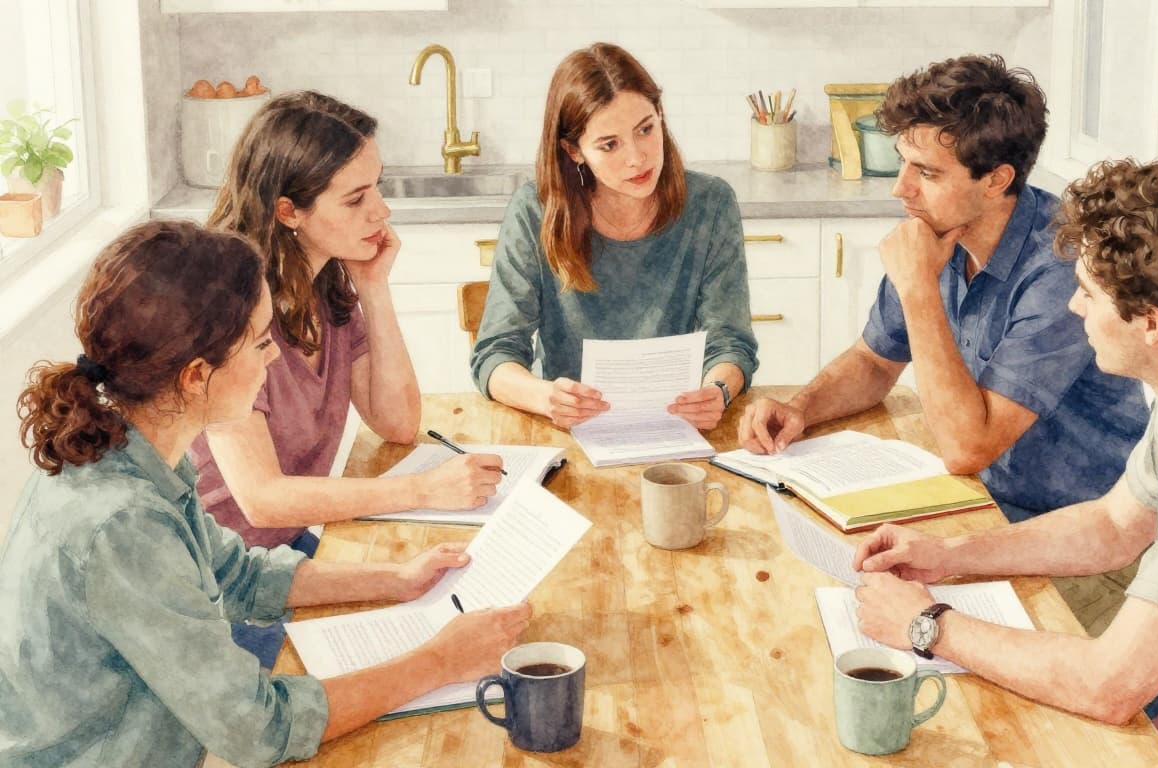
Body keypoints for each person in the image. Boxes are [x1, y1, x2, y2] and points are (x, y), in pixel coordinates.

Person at [852, 158, 1158, 768]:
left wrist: (927, 625)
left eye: (1088, 293)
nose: (1075, 309)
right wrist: (948, 557)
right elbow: (1114, 527)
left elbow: (1109, 686)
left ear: (1152, 324)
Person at [0, 221, 530, 768]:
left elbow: (235, 575)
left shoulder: (128, 447)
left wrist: (396, 578)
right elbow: (260, 731)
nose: (274, 357)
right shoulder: (123, 524)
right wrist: (441, 661)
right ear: (196, 376)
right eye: (260, 343)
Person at [738, 55, 1148, 524]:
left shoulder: (1061, 271)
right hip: (980, 503)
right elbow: (875, 362)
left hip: (1079, 531)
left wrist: (917, 289)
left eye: (927, 173)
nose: (901, 189)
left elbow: (966, 448)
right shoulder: (938, 228)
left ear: (996, 180)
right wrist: (799, 409)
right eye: (903, 165)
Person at [192, 92, 505, 663]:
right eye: (357, 198)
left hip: (292, 554)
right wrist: (422, 490)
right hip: (222, 588)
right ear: (289, 212)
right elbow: (261, 500)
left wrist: (374, 286)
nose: (381, 211)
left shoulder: (327, 286)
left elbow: (397, 421)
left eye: (378, 187)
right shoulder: (228, 312)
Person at [470, 42, 759, 430]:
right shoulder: (534, 211)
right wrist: (547, 397)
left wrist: (717, 390)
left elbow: (730, 340)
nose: (637, 157)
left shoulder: (711, 204)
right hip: (569, 432)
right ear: (574, 151)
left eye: (645, 129)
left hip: (675, 427)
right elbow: (495, 353)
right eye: (609, 144)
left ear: (661, 115)